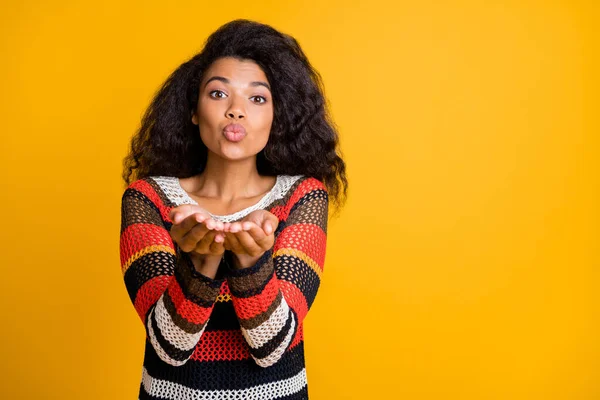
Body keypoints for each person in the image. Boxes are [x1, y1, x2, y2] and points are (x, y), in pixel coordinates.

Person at [119, 19, 348, 400]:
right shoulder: (148, 199)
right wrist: (199, 262)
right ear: (193, 111)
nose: (236, 111)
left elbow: (271, 346)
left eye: (257, 98)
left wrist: (251, 259)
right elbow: (169, 347)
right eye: (218, 94)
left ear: (276, 117)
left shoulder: (303, 197)